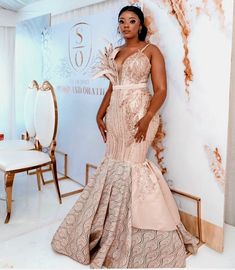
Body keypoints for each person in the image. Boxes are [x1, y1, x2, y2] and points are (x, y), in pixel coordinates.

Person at [51, 5, 199, 268]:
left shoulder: (151, 51)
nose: (126, 25)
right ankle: (108, 229)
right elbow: (112, 86)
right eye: (122, 21)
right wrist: (99, 114)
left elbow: (161, 90)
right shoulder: (114, 52)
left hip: (141, 114)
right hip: (116, 118)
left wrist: (147, 118)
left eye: (132, 21)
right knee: (113, 165)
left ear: (140, 25)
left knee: (134, 165)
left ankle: (140, 231)